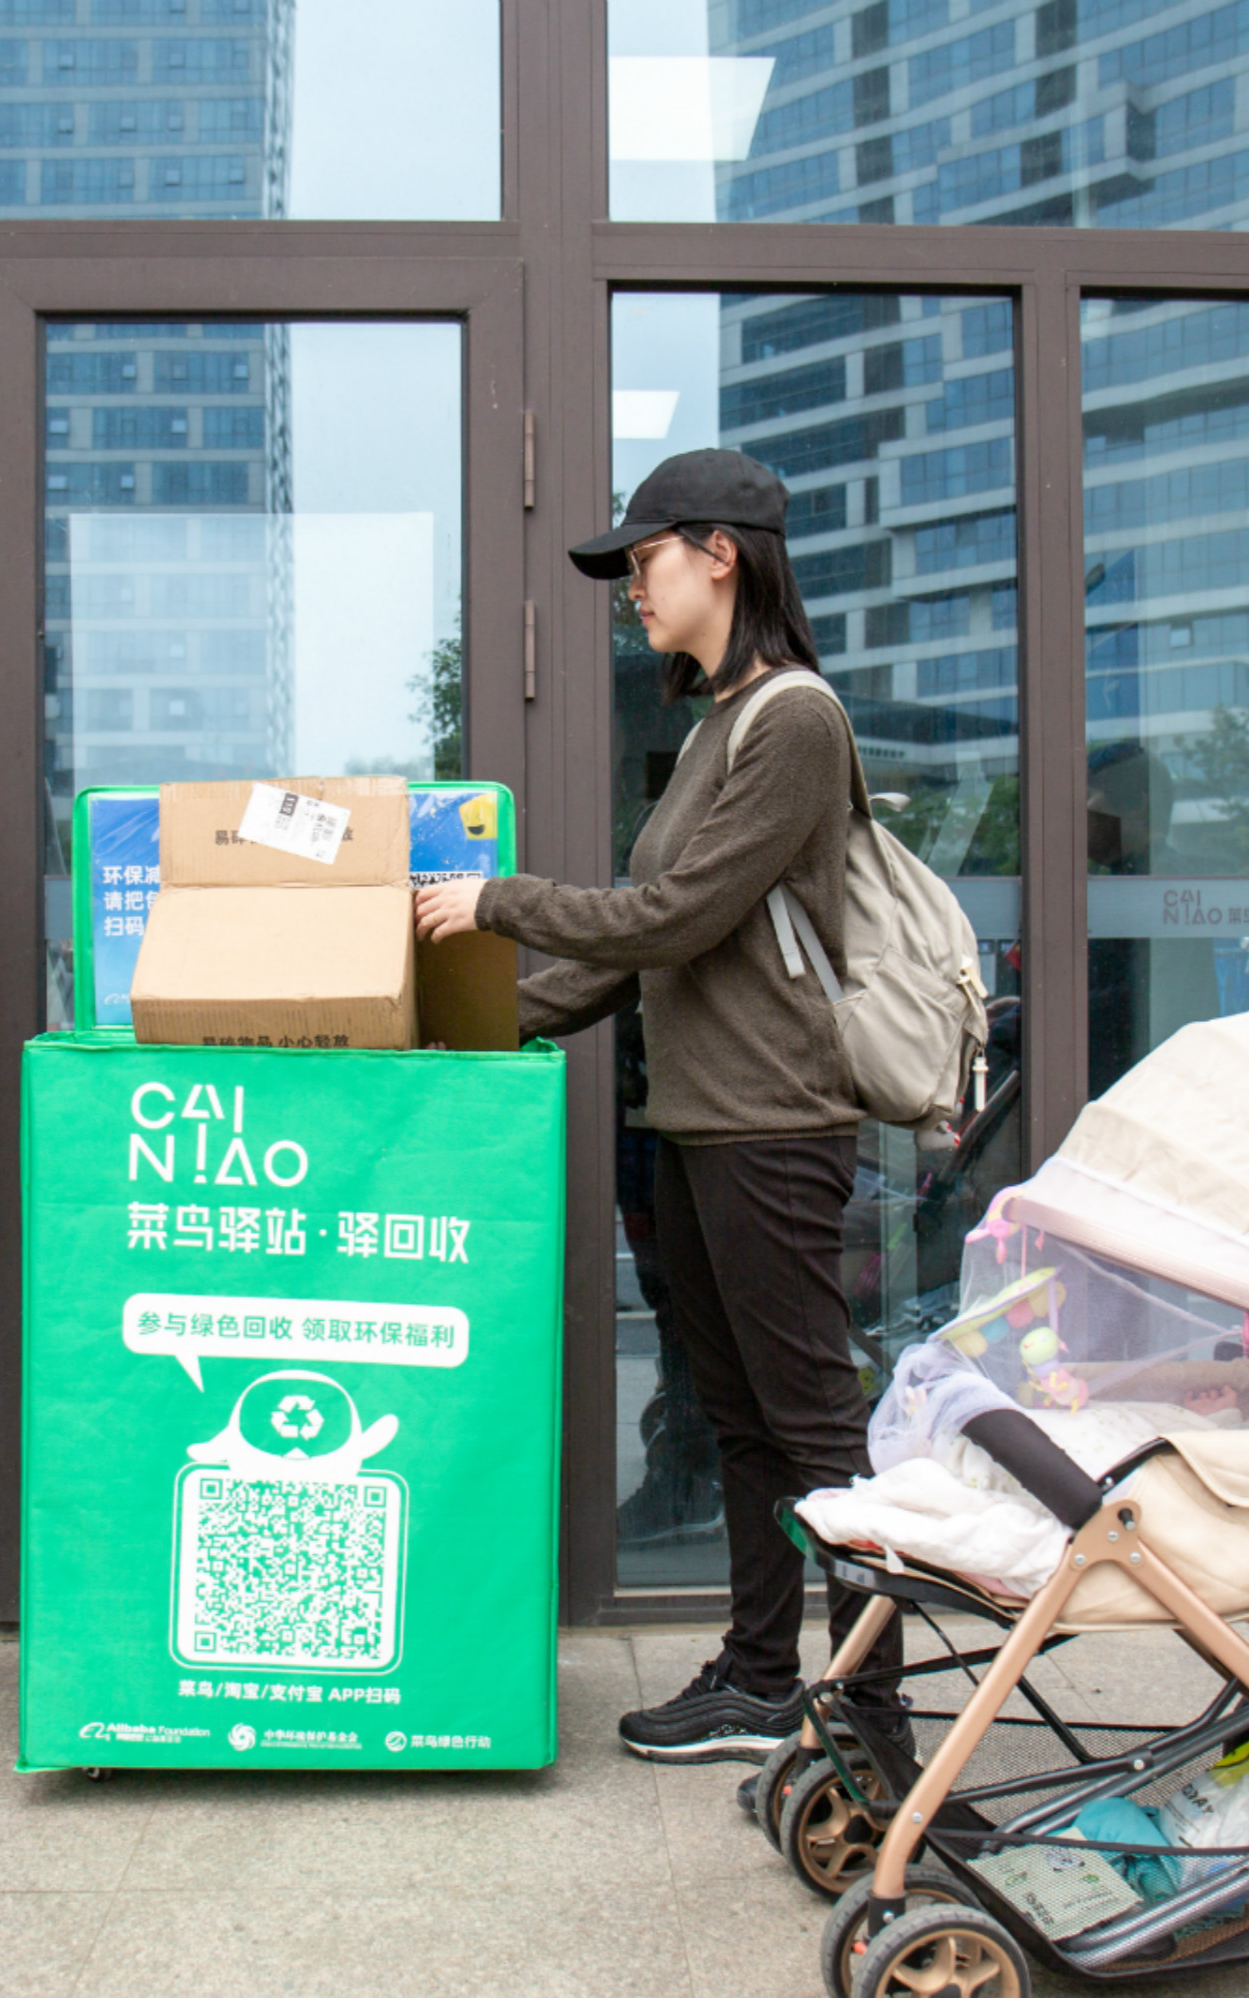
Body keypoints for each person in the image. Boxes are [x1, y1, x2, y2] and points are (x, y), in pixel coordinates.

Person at [414, 448, 903, 1763]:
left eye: (643, 558)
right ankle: (757, 1674)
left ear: (721, 553)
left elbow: (671, 914)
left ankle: (873, 1719)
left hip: (775, 1127)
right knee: (736, 1419)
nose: (632, 585)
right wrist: (456, 1027)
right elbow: (647, 956)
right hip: (697, 1128)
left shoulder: (796, 720)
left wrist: (496, 901)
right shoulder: (718, 728)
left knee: (811, 1425)